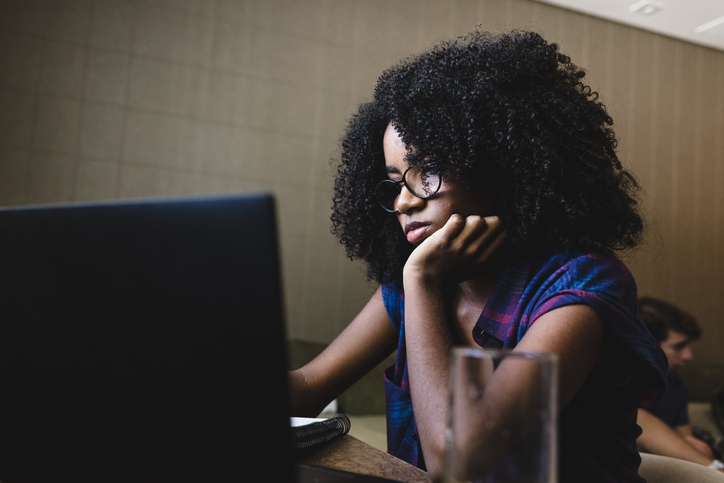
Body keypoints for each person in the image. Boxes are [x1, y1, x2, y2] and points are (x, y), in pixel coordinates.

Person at [289, 29, 667, 482]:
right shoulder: (411, 282)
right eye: (394, 181)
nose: (405, 201)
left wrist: (423, 284)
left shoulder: (580, 287)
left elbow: (460, 461)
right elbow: (308, 388)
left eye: (427, 171)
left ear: (499, 165)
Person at [637, 296, 724, 471]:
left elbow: (683, 434)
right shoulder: (615, 382)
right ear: (649, 346)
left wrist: (687, 443)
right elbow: (636, 422)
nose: (688, 356)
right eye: (679, 347)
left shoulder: (673, 379)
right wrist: (713, 470)